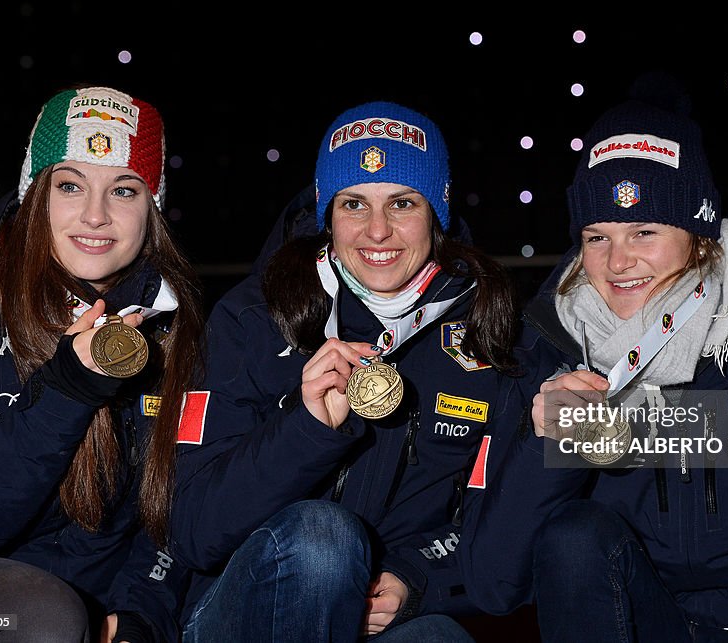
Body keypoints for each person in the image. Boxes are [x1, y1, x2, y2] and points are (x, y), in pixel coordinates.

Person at [169, 101, 539, 641]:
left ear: (436, 211)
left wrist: (418, 577)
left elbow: (493, 530)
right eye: (354, 204)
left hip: (381, 618)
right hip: (243, 609)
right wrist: (307, 430)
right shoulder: (254, 318)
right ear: (327, 213)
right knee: (323, 538)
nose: (378, 231)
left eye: (403, 203)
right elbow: (193, 533)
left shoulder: (488, 330)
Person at [460, 88, 728, 641]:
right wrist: (550, 443)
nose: (618, 262)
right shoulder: (553, 339)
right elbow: (493, 586)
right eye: (597, 237)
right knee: (574, 537)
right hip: (646, 618)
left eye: (645, 231)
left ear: (698, 232)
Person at [0, 86, 202, 643]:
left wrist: (137, 618)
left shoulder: (175, 322)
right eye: (71, 185)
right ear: (36, 196)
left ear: (150, 211)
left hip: (103, 607)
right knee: (43, 618)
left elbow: (176, 513)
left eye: (124, 191)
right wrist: (67, 390)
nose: (96, 215)